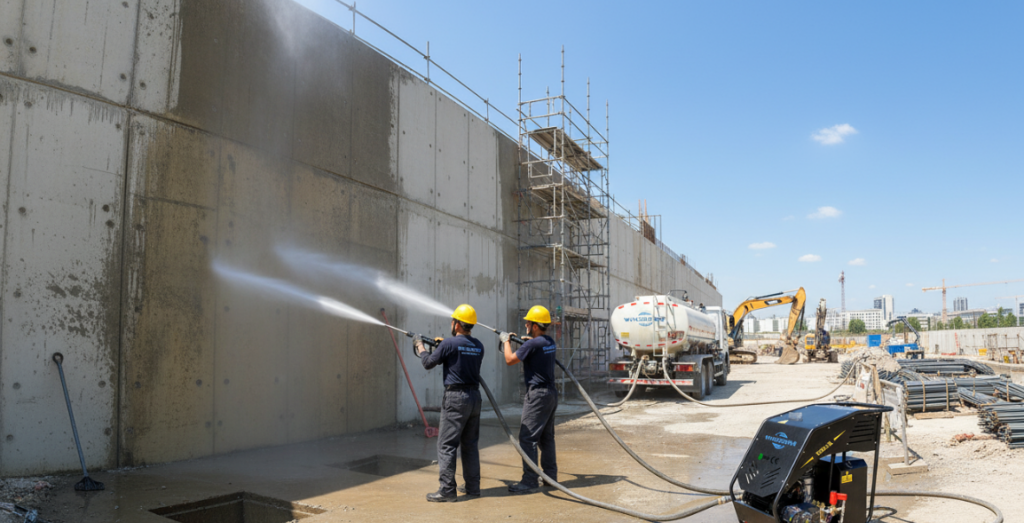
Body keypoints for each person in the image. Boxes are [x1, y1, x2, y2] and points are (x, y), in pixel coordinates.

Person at [417, 304, 484, 502]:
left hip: (456, 398)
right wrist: (443, 345)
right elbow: (458, 355)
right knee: (470, 445)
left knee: (446, 445)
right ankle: (473, 487)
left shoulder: (449, 344)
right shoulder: (478, 345)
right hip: (474, 398)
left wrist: (420, 346)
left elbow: (428, 363)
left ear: (456, 324)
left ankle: (447, 490)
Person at [500, 305, 558, 494]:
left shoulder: (533, 344)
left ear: (534, 326)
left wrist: (505, 340)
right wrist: (527, 342)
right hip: (550, 394)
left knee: (527, 438)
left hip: (538, 396)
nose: (525, 324)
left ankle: (529, 480)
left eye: (528, 322)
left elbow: (509, 359)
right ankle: (550, 477)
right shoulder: (548, 341)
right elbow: (535, 348)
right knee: (546, 438)